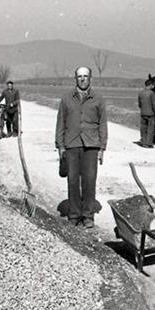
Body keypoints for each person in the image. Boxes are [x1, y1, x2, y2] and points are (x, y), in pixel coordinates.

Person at [55, 66, 107, 228]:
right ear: (75, 79)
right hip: (72, 144)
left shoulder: (98, 98)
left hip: (91, 145)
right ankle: (74, 215)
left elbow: (103, 124)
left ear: (90, 78)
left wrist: (102, 148)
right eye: (79, 76)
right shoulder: (66, 99)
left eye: (85, 76)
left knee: (89, 181)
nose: (83, 79)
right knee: (72, 181)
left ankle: (88, 216)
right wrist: (60, 146)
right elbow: (60, 123)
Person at [138, 79, 155, 148]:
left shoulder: (140, 93)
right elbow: (154, 104)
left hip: (143, 113)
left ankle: (144, 143)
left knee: (143, 128)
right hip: (150, 114)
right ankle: (149, 143)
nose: (153, 86)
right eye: (152, 85)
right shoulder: (152, 93)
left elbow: (140, 104)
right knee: (150, 129)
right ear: (150, 85)